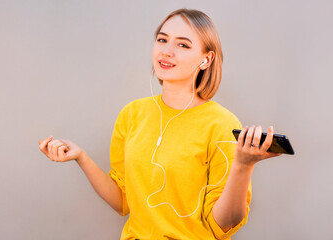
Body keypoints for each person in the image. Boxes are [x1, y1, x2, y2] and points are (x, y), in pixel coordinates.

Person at [38, 8, 281, 240]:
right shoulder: (132, 114)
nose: (166, 51)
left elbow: (224, 225)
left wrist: (243, 166)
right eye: (162, 40)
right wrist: (81, 157)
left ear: (206, 60)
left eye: (183, 45)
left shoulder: (221, 124)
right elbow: (123, 201)